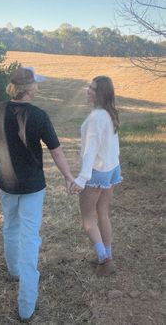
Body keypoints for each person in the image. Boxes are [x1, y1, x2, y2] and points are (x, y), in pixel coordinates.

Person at [0, 67, 74, 322]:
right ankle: (26, 306)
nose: (38, 87)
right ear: (29, 89)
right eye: (36, 84)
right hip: (32, 188)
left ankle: (14, 271)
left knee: (10, 227)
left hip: (6, 184)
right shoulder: (39, 115)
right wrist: (69, 177)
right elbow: (57, 152)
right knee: (29, 239)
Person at [70, 75, 122, 277]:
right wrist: (113, 168)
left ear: (101, 93)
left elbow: (90, 150)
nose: (88, 90)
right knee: (103, 213)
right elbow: (112, 146)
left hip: (97, 172)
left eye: (93, 88)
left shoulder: (96, 117)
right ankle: (107, 255)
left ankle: (104, 259)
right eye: (89, 87)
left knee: (87, 218)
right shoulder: (110, 114)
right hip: (111, 169)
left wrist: (82, 178)